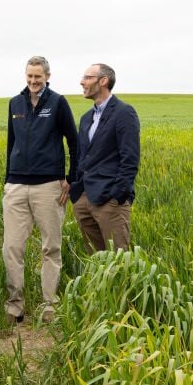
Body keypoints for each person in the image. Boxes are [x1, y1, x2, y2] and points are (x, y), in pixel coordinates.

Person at [2, 56, 78, 325]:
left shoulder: (57, 103)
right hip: (16, 186)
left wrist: (71, 177)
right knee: (12, 247)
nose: (33, 82)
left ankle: (49, 306)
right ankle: (15, 306)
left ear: (47, 76)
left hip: (49, 186)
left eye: (38, 77)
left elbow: (73, 141)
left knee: (51, 248)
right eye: (29, 77)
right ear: (25, 76)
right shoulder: (15, 103)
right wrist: (7, 180)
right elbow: (11, 143)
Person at [70, 63, 141, 253]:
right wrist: (77, 193)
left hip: (111, 201)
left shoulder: (124, 112)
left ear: (103, 81)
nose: (81, 82)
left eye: (87, 77)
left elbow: (130, 158)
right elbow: (81, 157)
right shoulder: (86, 118)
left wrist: (118, 195)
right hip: (85, 199)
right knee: (96, 260)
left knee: (118, 262)